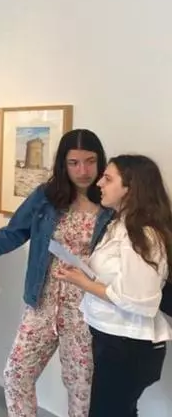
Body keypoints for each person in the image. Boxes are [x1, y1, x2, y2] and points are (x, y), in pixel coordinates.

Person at [0, 129, 113, 416]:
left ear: (100, 161)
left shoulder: (109, 204)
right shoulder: (46, 198)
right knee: (16, 376)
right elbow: (10, 235)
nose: (83, 170)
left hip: (86, 312)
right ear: (62, 164)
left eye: (90, 161)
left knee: (81, 390)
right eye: (74, 162)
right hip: (42, 305)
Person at [55, 155, 172, 416]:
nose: (99, 183)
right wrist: (85, 274)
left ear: (131, 188)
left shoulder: (142, 233)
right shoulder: (120, 224)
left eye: (108, 179)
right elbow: (118, 280)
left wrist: (82, 282)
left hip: (128, 346)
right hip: (113, 339)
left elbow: (136, 299)